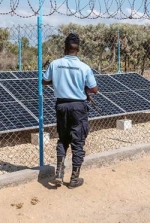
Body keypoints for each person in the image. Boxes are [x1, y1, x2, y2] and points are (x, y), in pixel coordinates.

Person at [42, 33, 98, 188]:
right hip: (78, 108)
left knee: (63, 139)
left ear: (65, 48)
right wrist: (81, 87)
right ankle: (74, 179)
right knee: (78, 141)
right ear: (78, 49)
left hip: (61, 106)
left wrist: (59, 81)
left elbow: (45, 81)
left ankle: (59, 173)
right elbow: (94, 89)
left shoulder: (55, 64)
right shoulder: (84, 67)